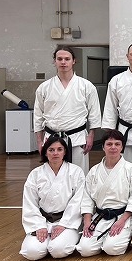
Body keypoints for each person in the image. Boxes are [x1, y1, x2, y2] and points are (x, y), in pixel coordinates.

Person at [34, 46, 101, 175]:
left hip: (77, 138)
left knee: (79, 175)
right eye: (59, 59)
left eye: (67, 59)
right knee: (53, 174)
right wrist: (39, 141)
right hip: (52, 139)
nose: (63, 62)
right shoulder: (44, 87)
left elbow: (94, 114)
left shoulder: (86, 86)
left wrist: (91, 136)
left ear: (73, 61)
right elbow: (38, 115)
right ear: (54, 61)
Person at [76, 129, 132, 256]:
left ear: (122, 147)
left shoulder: (131, 170)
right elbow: (87, 198)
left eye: (117, 144)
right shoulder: (94, 171)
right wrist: (87, 222)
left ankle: (117, 237)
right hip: (100, 216)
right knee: (84, 249)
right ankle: (105, 238)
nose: (113, 147)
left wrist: (122, 220)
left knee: (111, 248)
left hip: (123, 216)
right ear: (103, 147)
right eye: (109, 144)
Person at [20, 136, 85, 260]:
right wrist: (39, 226)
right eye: (51, 150)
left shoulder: (76, 172)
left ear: (65, 152)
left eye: (59, 149)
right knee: (31, 252)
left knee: (58, 250)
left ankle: (57, 241)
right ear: (45, 152)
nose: (55, 153)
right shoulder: (35, 174)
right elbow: (30, 203)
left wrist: (63, 224)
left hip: (67, 222)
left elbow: (77, 201)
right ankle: (45, 241)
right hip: (43, 220)